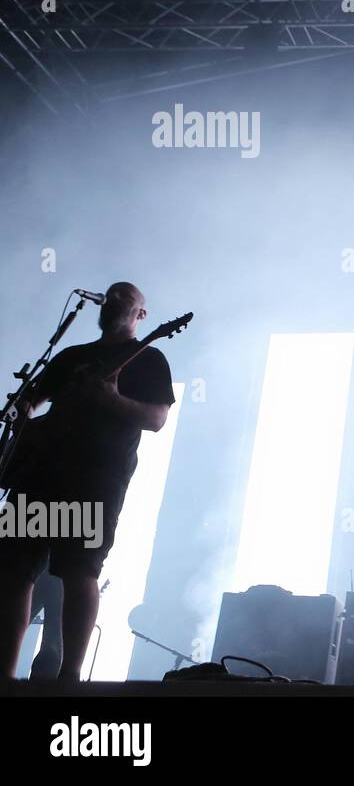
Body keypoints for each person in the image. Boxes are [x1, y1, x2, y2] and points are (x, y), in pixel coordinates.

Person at [0, 282, 175, 679]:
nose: (114, 299)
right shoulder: (70, 357)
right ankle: (4, 677)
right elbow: (31, 401)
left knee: (80, 571)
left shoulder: (148, 359)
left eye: (125, 296)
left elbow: (157, 419)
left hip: (94, 480)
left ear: (141, 314)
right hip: (39, 474)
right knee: (11, 571)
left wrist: (110, 399)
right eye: (110, 294)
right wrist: (20, 411)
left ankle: (70, 678)